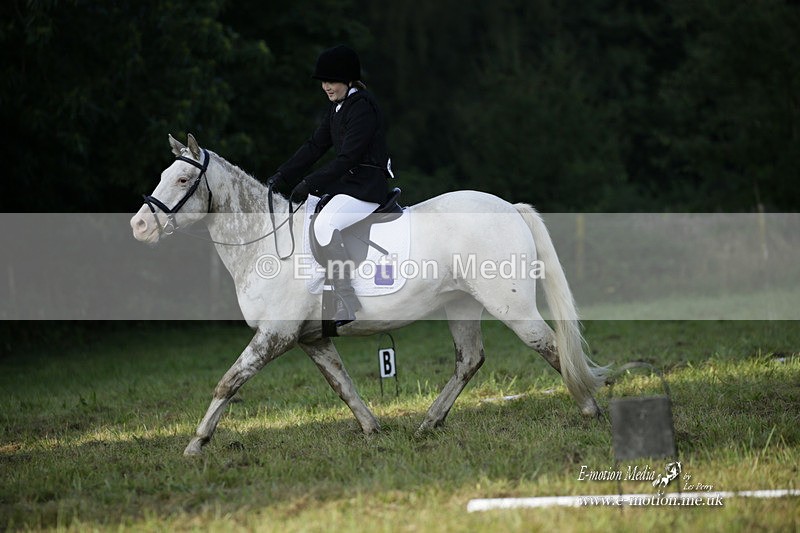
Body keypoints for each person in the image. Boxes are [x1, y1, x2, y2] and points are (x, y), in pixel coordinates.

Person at [266, 45, 392, 325]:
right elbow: (315, 146)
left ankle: (346, 300)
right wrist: (282, 175)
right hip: (350, 185)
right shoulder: (337, 109)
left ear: (348, 80)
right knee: (310, 215)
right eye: (323, 81)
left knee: (325, 225)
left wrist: (309, 182)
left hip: (367, 187)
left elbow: (348, 157)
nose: (326, 86)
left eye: (331, 81)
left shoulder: (363, 107)